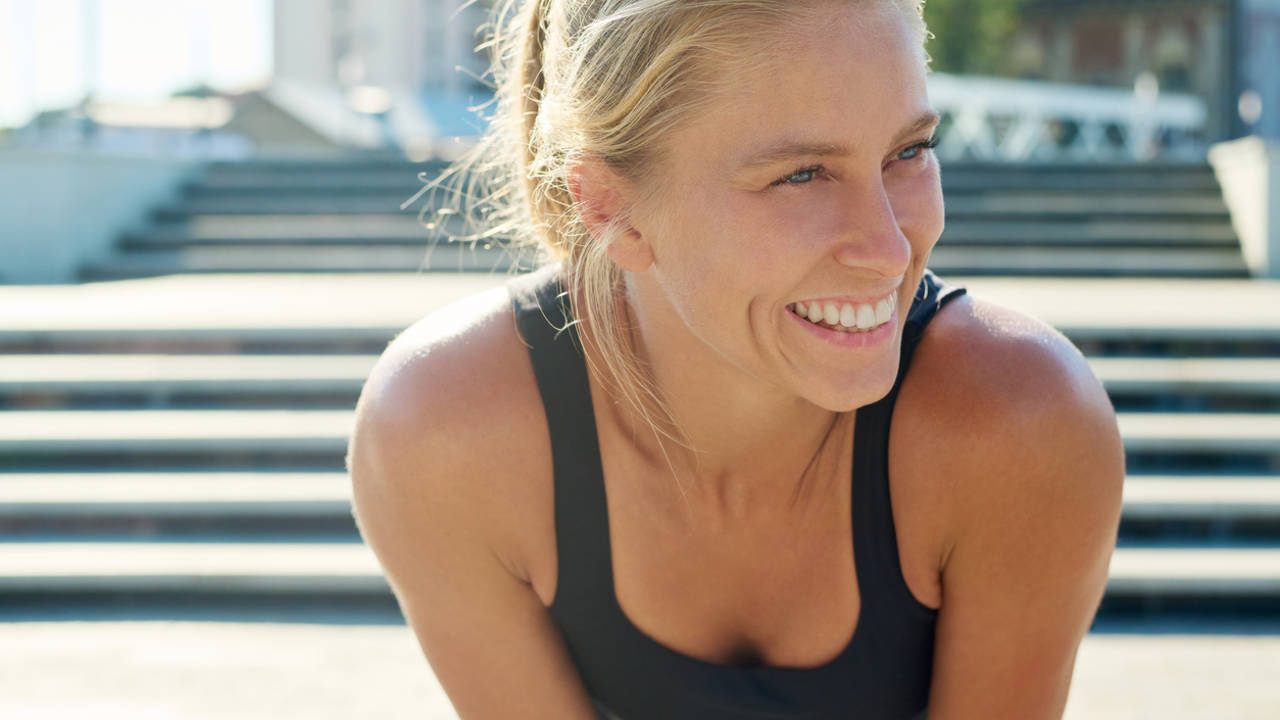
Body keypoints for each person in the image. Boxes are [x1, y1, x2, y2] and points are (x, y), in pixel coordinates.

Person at [347, 0, 1125, 718]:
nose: (890, 250)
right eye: (801, 175)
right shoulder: (444, 433)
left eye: (909, 151)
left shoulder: (1019, 423)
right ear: (608, 205)